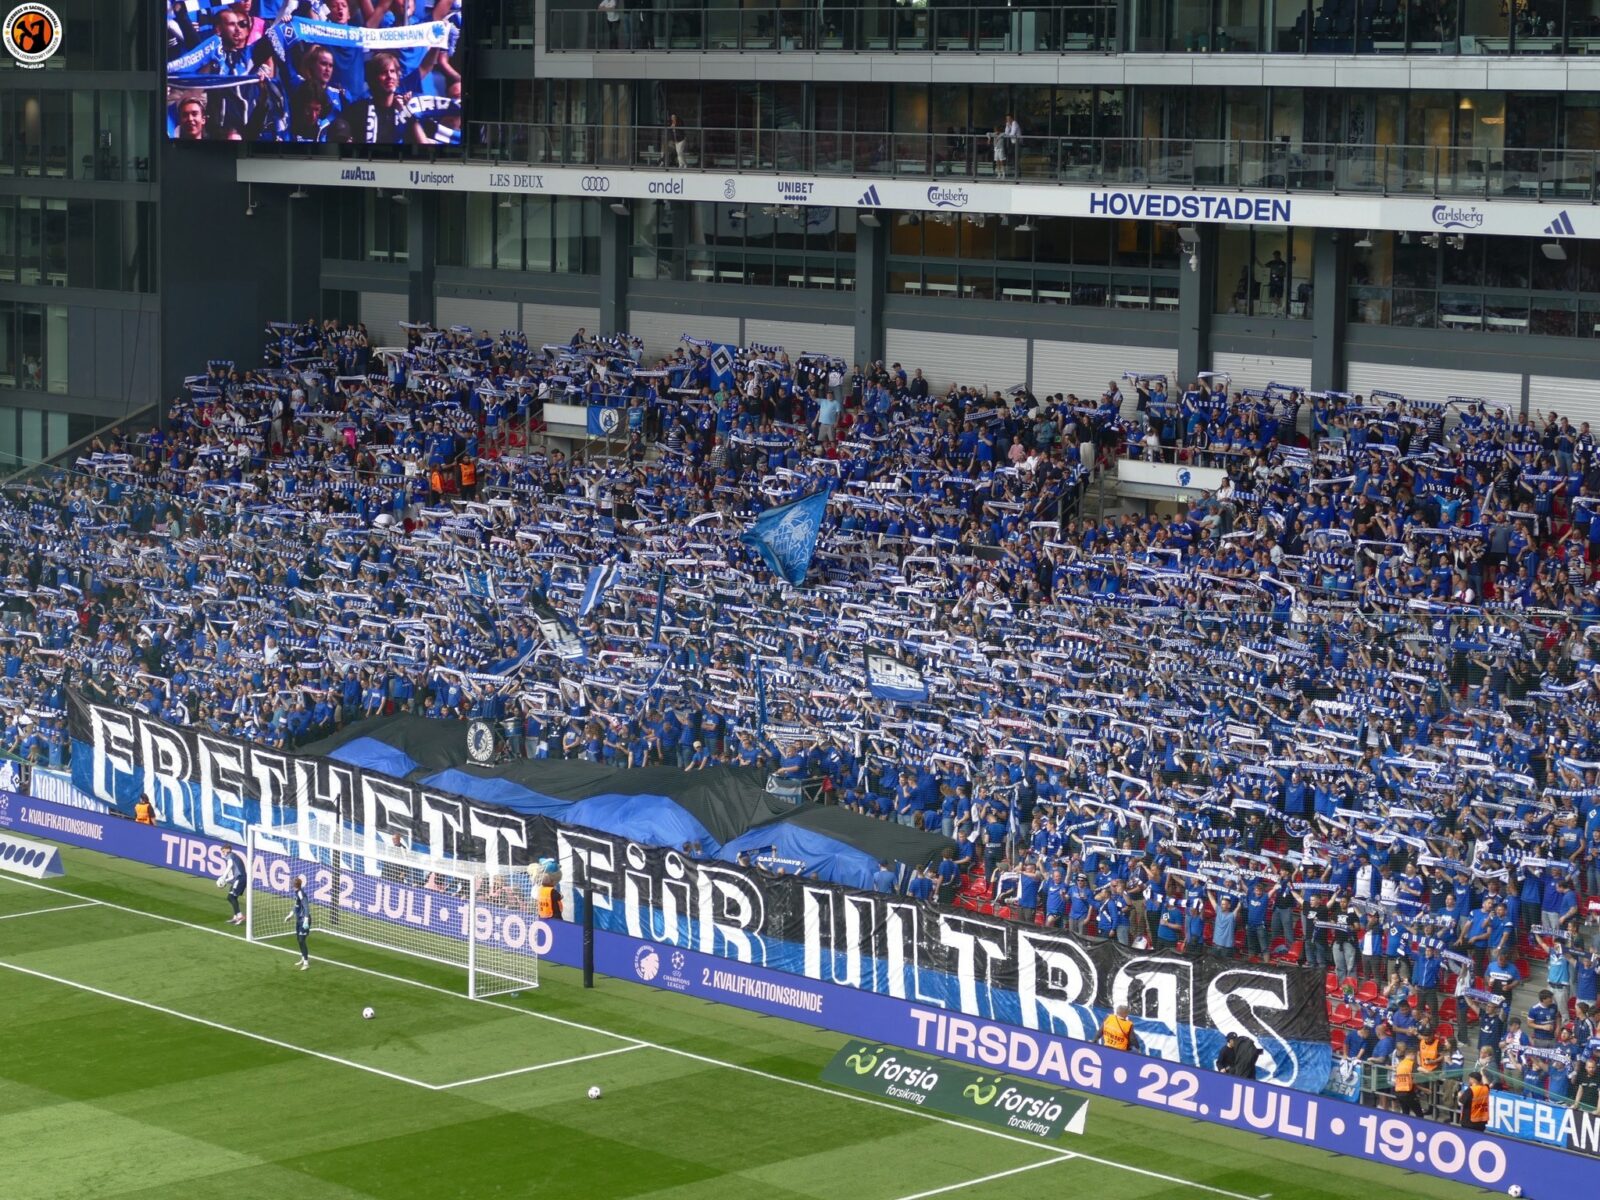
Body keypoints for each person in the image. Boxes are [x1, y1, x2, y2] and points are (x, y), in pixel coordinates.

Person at [284, 874, 311, 969]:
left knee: (301, 940)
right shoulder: (297, 893)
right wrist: (290, 915)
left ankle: (306, 963)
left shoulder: (300, 893)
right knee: (299, 940)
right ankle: (303, 958)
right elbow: (296, 906)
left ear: (295, 885)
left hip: (304, 920)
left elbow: (306, 907)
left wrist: (306, 920)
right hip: (299, 920)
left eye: (292, 884)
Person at [216, 843, 247, 926]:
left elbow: (230, 865)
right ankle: (236, 916)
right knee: (232, 897)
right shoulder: (233, 857)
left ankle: (240, 916)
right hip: (238, 878)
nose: (223, 853)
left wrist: (223, 877)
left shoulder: (230, 855)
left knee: (231, 897)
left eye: (223, 851)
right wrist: (225, 880)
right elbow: (232, 876)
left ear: (228, 850)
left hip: (241, 878)